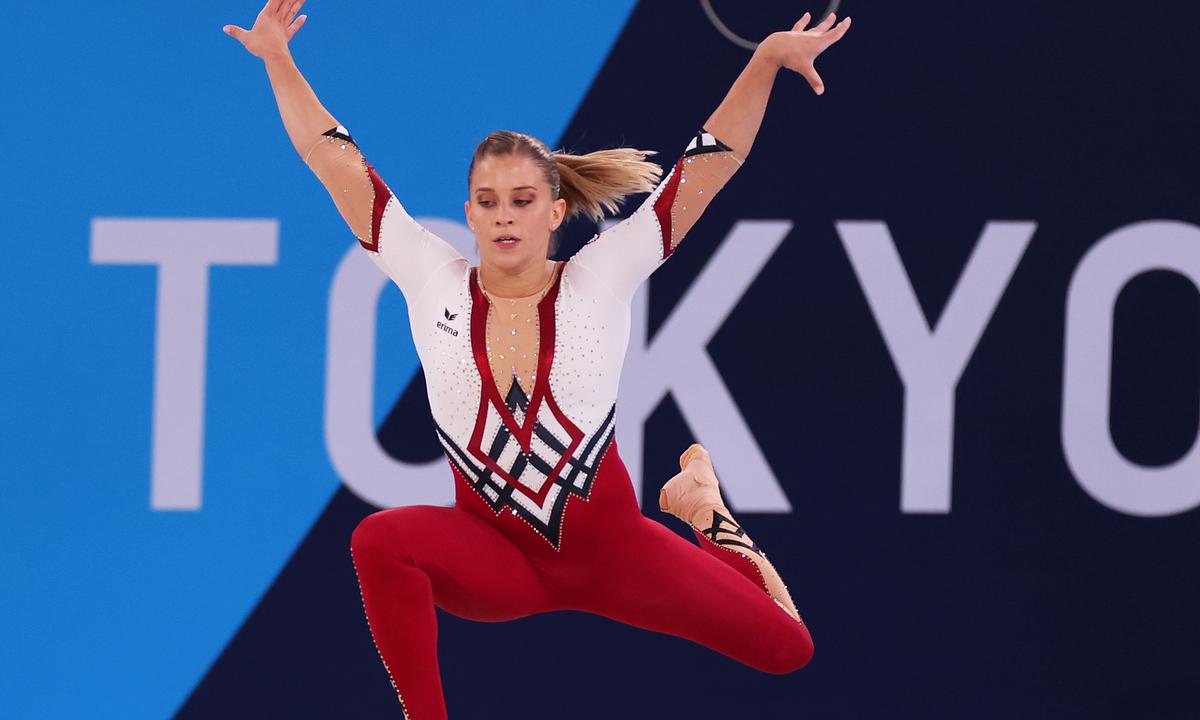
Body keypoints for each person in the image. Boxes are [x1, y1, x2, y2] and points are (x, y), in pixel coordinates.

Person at [224, 1, 851, 716]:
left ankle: (701, 506)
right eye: (487, 201)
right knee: (378, 540)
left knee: (788, 647)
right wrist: (278, 59)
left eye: (522, 200)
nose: (503, 215)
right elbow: (330, 157)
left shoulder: (602, 274)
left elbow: (710, 164)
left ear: (555, 211)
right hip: (498, 561)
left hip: (616, 555)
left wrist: (765, 59)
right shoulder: (429, 276)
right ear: (467, 214)